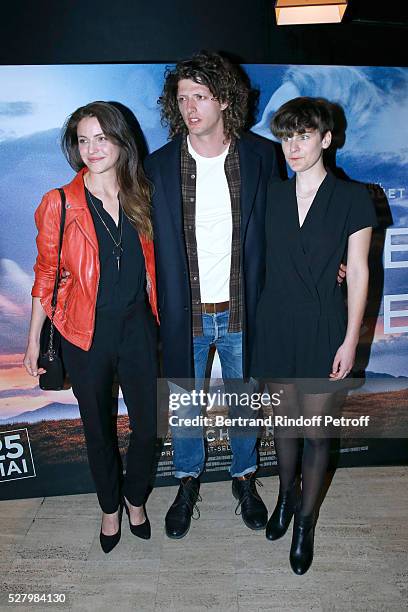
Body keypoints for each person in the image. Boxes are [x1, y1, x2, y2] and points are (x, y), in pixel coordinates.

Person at [144, 51, 280, 538]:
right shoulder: (157, 167)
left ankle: (244, 477)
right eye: (182, 98)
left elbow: (281, 228)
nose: (190, 107)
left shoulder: (261, 157)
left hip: (245, 308)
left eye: (200, 96)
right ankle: (187, 481)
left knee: (245, 401)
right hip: (188, 312)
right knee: (184, 405)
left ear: (224, 99)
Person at [23, 101, 159, 553]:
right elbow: (45, 274)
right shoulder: (59, 203)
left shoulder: (143, 195)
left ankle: (135, 498)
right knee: (97, 429)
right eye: (83, 140)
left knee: (148, 426)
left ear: (121, 140)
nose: (92, 148)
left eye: (101, 137)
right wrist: (31, 342)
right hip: (84, 333)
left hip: (138, 326)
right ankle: (110, 509)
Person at [252, 97, 377, 574]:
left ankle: (305, 522)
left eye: (304, 135)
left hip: (325, 323)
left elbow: (360, 271)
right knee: (284, 425)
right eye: (286, 136)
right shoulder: (272, 195)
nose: (293, 146)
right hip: (276, 323)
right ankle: (286, 499)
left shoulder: (352, 197)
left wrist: (350, 340)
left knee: (318, 433)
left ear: (327, 139)